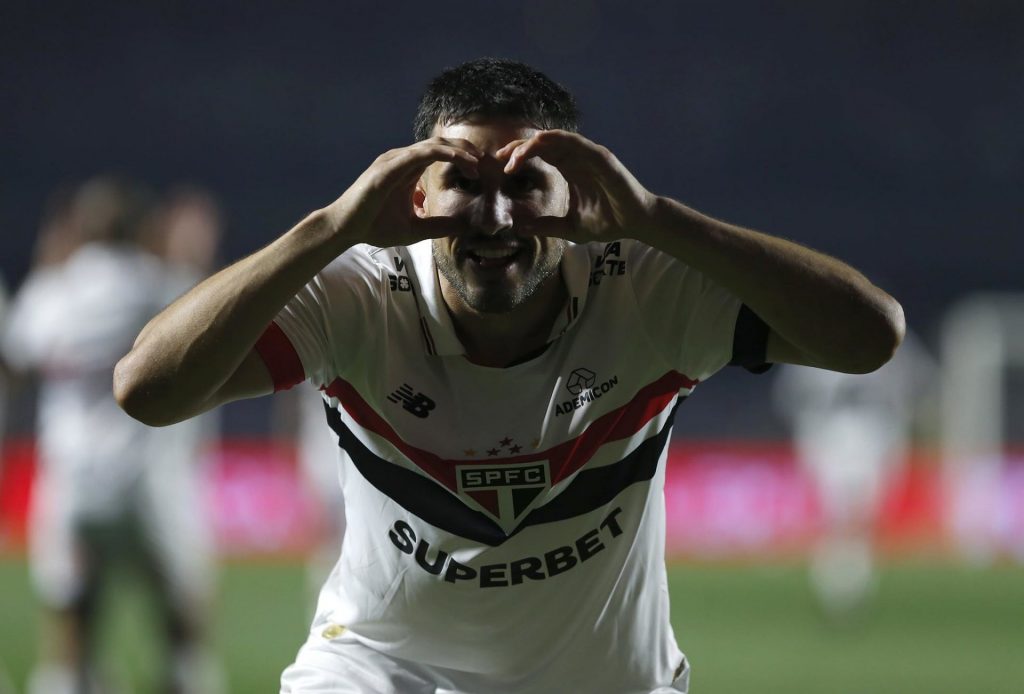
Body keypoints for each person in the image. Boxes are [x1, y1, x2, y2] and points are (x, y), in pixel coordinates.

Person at [114, 58, 904, 693]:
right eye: (464, 181)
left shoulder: (648, 284)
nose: (494, 217)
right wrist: (329, 227)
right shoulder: (358, 286)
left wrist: (653, 216)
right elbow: (146, 390)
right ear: (417, 190)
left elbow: (871, 337)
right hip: (380, 672)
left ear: (577, 189)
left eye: (525, 182)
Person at [3, 179, 222, 694]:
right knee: (183, 620)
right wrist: (190, 254)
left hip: (73, 483)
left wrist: (48, 262)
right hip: (150, 483)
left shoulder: (52, 292)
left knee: (72, 616)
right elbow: (211, 318)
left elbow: (17, 355)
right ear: (143, 230)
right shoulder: (159, 285)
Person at [773, 330, 932, 619]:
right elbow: (793, 397)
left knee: (859, 522)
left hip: (871, 436)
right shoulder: (817, 340)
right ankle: (839, 590)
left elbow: (919, 383)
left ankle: (849, 589)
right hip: (837, 436)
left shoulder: (887, 337)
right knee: (841, 521)